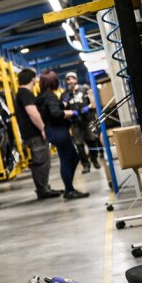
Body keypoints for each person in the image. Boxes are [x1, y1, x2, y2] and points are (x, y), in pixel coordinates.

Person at [35, 71, 90, 200]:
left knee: (73, 158)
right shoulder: (50, 96)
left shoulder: (41, 96)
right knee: (66, 160)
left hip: (52, 131)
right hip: (58, 131)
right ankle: (69, 190)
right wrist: (71, 112)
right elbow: (55, 113)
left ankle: (69, 188)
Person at [14, 68, 60, 200]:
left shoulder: (21, 93)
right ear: (32, 79)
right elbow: (32, 112)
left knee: (42, 161)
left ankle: (44, 187)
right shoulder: (25, 93)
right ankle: (42, 190)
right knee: (41, 162)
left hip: (30, 134)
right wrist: (42, 128)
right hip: (34, 134)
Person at [61, 72, 101, 173]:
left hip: (87, 120)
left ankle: (94, 159)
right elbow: (61, 110)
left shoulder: (85, 89)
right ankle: (86, 165)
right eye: (68, 79)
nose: (71, 81)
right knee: (79, 145)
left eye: (72, 78)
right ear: (66, 82)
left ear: (76, 79)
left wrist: (87, 108)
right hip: (74, 123)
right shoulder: (65, 94)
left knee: (92, 140)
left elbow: (94, 102)